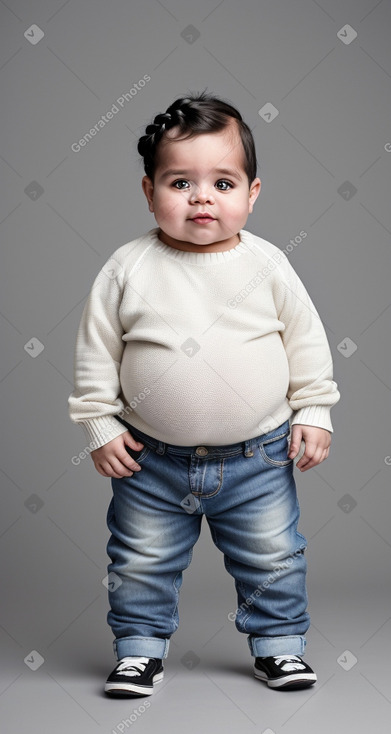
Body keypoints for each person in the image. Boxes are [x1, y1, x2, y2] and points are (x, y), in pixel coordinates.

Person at [68, 90, 340, 696]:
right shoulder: (127, 267)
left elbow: (307, 342)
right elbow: (96, 352)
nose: (201, 199)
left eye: (222, 183)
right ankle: (138, 649)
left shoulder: (268, 265)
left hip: (259, 457)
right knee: (139, 561)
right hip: (150, 460)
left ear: (252, 194)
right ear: (148, 191)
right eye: (179, 182)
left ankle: (279, 647)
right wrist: (101, 425)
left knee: (274, 558)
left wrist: (315, 408)